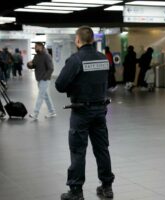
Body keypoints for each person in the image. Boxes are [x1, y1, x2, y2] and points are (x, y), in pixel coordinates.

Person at [56, 26, 115, 200]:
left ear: (78, 40)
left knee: (78, 150)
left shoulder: (75, 59)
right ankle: (107, 187)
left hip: (81, 111)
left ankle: (76, 191)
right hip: (100, 110)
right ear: (92, 40)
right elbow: (108, 79)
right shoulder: (103, 58)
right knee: (102, 149)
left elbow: (60, 85)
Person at [27, 42, 56, 120]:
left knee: (40, 96)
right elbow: (33, 65)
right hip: (39, 78)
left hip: (45, 79)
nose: (36, 48)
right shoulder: (36, 56)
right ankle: (52, 111)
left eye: (37, 47)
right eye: (35, 47)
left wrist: (45, 77)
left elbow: (51, 68)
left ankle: (35, 113)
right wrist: (29, 65)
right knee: (46, 96)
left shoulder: (47, 56)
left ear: (42, 47)